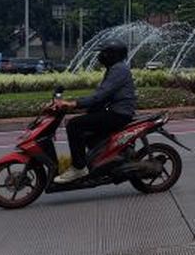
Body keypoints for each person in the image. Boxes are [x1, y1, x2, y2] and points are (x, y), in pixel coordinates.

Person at [54, 44, 137, 184]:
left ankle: (79, 168)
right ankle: (102, 161)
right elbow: (100, 96)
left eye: (104, 53)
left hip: (119, 114)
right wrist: (76, 105)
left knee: (74, 125)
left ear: (113, 55)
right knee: (86, 130)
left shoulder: (119, 69)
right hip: (113, 111)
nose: (100, 56)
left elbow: (100, 95)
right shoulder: (114, 68)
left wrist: (74, 104)